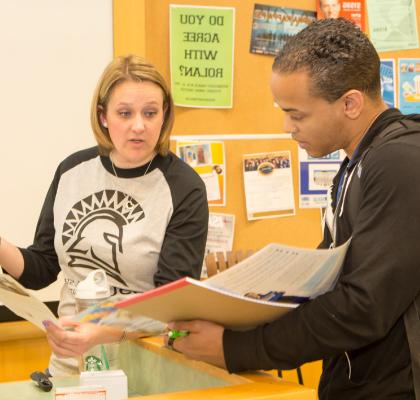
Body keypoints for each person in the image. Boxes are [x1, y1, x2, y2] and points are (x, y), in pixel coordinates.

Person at [167, 19, 420, 399]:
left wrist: (235, 349)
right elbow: (326, 279)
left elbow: (363, 306)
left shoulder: (399, 161)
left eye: (297, 114)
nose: (288, 126)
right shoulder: (356, 164)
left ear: (350, 103)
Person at [0, 55, 209, 375]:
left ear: (164, 115)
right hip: (71, 363)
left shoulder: (183, 187)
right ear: (103, 116)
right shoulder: (72, 171)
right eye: (125, 113)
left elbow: (171, 305)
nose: (139, 125)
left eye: (150, 113)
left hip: (147, 365)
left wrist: (102, 333)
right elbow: (41, 267)